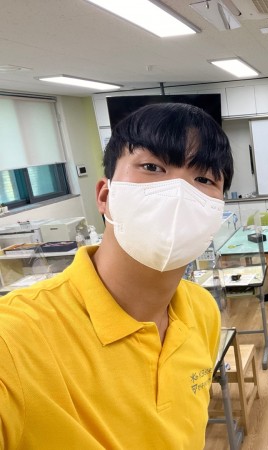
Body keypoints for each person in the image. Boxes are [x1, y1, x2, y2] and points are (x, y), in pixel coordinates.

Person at [0, 103, 234, 448]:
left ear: (219, 211)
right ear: (105, 196)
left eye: (204, 179)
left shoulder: (202, 310)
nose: (178, 193)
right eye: (152, 167)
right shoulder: (14, 339)